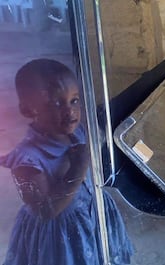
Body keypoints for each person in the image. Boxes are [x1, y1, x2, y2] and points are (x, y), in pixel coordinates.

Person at [0, 59, 133, 264]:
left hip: (92, 213)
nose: (70, 111)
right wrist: (78, 168)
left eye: (74, 100)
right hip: (60, 235)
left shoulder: (77, 131)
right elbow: (46, 210)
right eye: (56, 103)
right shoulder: (26, 158)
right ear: (28, 110)